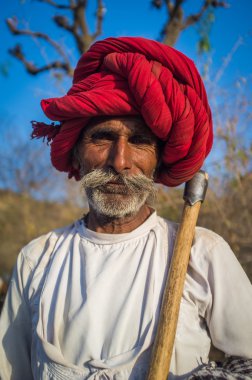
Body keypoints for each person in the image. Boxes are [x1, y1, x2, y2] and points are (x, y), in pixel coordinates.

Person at [0, 37, 251, 380]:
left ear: (157, 159)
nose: (120, 162)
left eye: (140, 141)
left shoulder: (200, 253)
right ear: (76, 153)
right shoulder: (37, 259)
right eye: (102, 137)